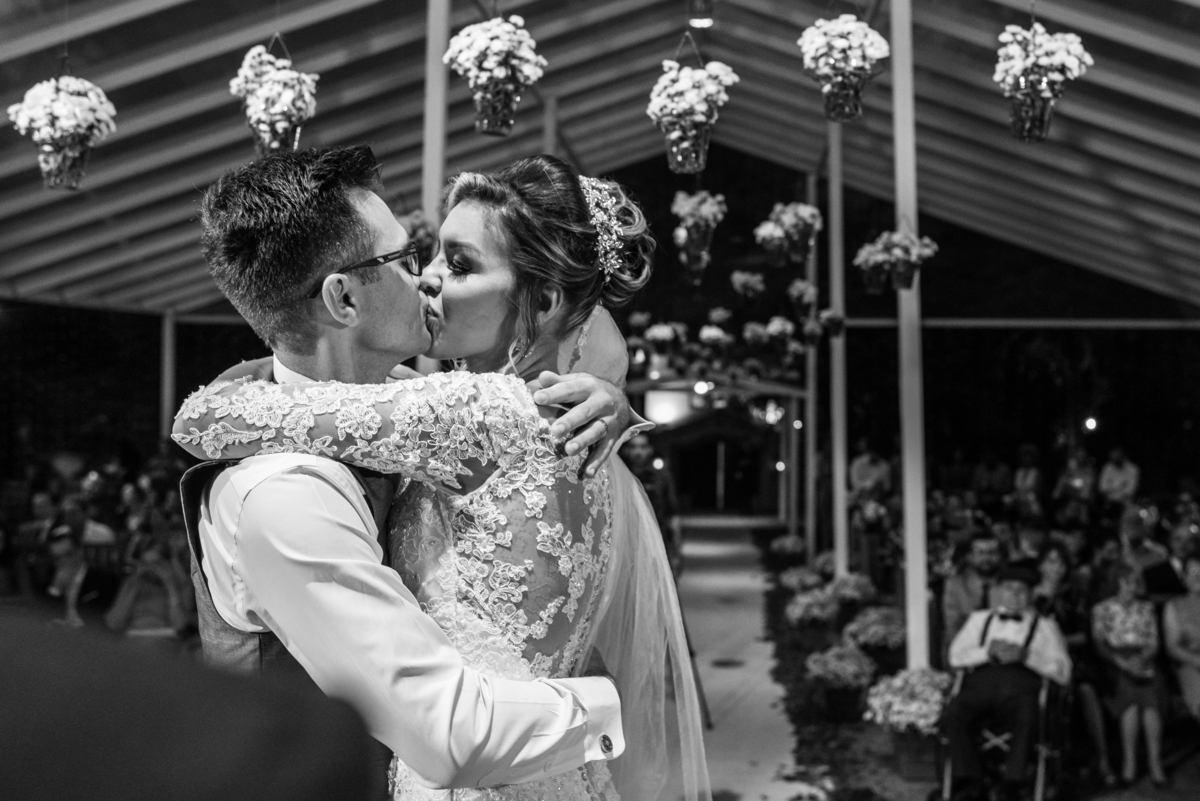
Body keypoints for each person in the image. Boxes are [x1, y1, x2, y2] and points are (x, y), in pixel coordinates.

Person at [172, 149, 708, 800]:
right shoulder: (285, 491)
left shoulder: (475, 413)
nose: (425, 277)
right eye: (409, 258)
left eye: (455, 263)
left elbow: (206, 416)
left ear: (542, 299)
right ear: (342, 297)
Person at [942, 563, 1071, 801]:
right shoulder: (979, 620)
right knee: (955, 710)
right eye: (1009, 589)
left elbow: (1064, 672)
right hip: (980, 687)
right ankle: (971, 781)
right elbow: (955, 656)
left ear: (1031, 594)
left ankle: (1014, 782)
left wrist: (1028, 657)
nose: (1014, 595)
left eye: (1021, 590)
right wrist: (986, 652)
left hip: (1021, 693)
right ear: (999, 591)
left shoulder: (1046, 626)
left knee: (1028, 713)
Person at [1032, 542, 1115, 787]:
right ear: (1041, 565)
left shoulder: (1075, 595)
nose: (1056, 568)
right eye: (1051, 561)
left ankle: (1102, 759)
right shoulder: (1029, 596)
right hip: (1039, 660)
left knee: (1086, 690)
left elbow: (1083, 635)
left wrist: (1057, 641)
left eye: (1061, 562)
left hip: (1072, 657)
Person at [1092, 563, 1168, 787]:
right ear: (1116, 583)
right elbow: (1099, 643)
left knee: (1151, 700)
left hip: (1143, 658)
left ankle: (1155, 761)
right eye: (1126, 582)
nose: (1131, 587)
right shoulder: (1102, 608)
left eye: (1135, 582)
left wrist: (1142, 658)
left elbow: (1154, 641)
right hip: (1115, 660)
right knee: (1131, 699)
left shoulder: (1146, 608)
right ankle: (1129, 762)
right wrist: (1123, 663)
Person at [619, 431, 682, 576]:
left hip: (657, 539)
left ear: (649, 449)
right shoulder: (620, 475)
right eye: (633, 447)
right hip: (627, 542)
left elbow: (672, 513)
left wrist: (676, 551)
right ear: (626, 450)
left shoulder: (661, 476)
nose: (638, 452)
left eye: (642, 447)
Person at [941, 531, 1003, 654]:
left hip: (1001, 651)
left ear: (999, 556)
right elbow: (952, 626)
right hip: (964, 650)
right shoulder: (955, 584)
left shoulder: (1008, 584)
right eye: (980, 553)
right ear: (969, 556)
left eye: (991, 552)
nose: (986, 558)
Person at [1163, 553, 1200, 721]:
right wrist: (1196, 660)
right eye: (1192, 573)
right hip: (1192, 664)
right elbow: (1172, 646)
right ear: (1184, 578)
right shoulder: (1175, 606)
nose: (1197, 577)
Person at [1143, 522, 1196, 601]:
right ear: (1170, 541)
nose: (1183, 545)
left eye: (1189, 540)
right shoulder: (1153, 573)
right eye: (1178, 539)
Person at [1098, 448, 1139, 519]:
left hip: (1125, 503)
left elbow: (1130, 490)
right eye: (1113, 458)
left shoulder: (1133, 469)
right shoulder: (1107, 468)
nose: (1115, 460)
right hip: (1109, 502)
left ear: (1123, 456)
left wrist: (1112, 490)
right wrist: (1120, 488)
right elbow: (1102, 487)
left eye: (1117, 457)